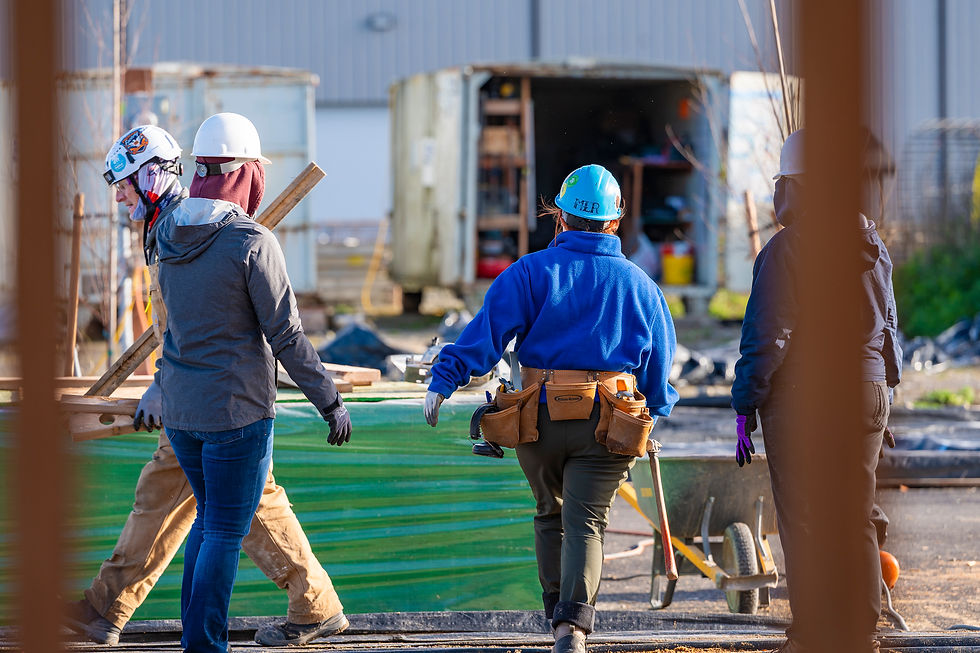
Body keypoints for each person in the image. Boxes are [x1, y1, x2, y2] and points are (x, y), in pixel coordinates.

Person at [66, 119, 351, 650]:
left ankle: (111, 610)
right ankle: (131, 616)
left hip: (199, 404)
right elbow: (259, 332)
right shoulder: (210, 234)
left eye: (126, 186)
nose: (122, 198)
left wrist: (164, 383)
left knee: (217, 517)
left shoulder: (174, 231)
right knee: (209, 517)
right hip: (221, 405)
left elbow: (185, 322)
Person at [423, 164, 678, 653]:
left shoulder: (530, 272)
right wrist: (655, 412)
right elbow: (658, 373)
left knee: (549, 515)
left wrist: (444, 379)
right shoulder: (641, 285)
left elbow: (485, 338)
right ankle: (574, 628)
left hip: (536, 420)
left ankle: (556, 617)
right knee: (588, 523)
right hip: (609, 424)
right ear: (615, 220)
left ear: (559, 217)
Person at [731, 129, 902, 653]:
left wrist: (745, 404)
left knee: (803, 518)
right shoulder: (872, 242)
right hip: (869, 392)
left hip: (804, 398)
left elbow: (768, 335)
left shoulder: (787, 249)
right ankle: (862, 630)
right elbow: (890, 327)